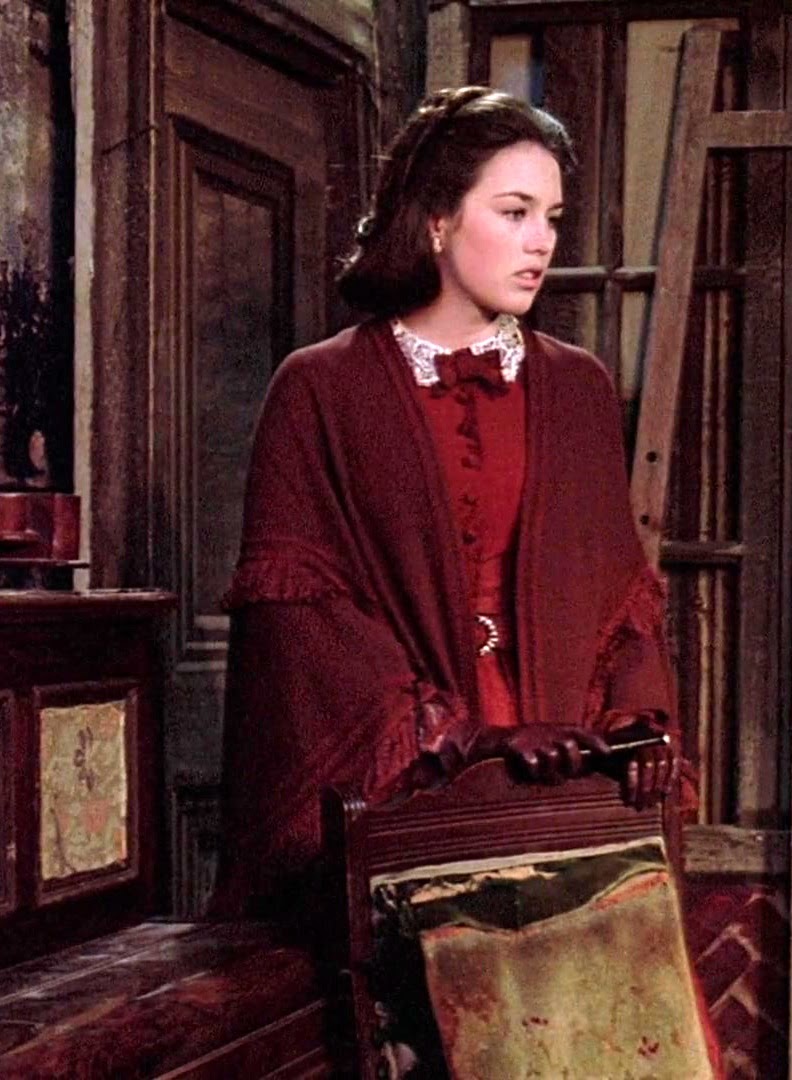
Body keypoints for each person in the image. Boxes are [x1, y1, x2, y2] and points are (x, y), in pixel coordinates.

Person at [212, 86, 684, 922]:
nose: (541, 241)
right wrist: (459, 736)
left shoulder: (578, 388)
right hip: (410, 777)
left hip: (564, 768)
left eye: (552, 217)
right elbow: (300, 623)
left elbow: (621, 597)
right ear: (436, 221)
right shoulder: (320, 387)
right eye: (514, 212)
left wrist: (637, 724)